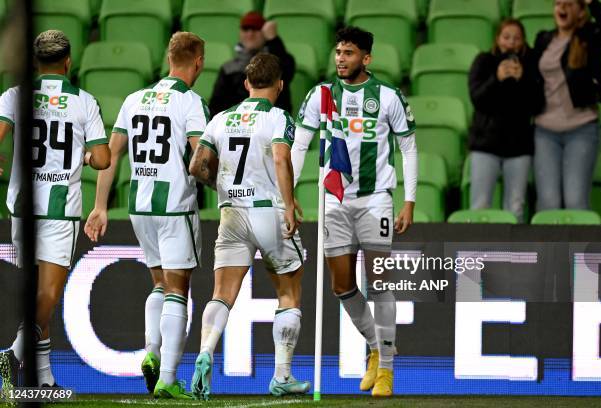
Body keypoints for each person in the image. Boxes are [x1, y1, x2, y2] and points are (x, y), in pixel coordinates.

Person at [291, 27, 417, 397]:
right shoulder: (322, 94)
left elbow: (408, 149)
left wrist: (409, 200)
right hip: (334, 200)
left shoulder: (388, 96)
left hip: (376, 197)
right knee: (342, 285)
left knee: (379, 283)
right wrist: (291, 191)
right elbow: (300, 145)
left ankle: (388, 370)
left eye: (348, 53)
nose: (340, 59)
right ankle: (377, 348)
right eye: (338, 52)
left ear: (366, 58)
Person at [84, 32, 209, 399]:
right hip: (174, 205)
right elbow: (198, 157)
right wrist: (219, 184)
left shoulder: (134, 99)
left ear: (169, 58)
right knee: (178, 289)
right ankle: (168, 377)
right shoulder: (190, 102)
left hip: (140, 206)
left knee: (159, 283)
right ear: (198, 61)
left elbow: (111, 154)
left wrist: (101, 205)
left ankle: (151, 354)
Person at [188, 53, 309, 400]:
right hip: (267, 210)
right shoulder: (279, 118)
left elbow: (197, 166)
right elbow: (282, 157)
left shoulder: (221, 118)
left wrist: (220, 188)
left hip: (231, 213)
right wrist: (289, 203)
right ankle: (282, 375)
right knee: (288, 290)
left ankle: (206, 352)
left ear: (246, 84)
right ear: (280, 85)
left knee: (222, 294)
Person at [0, 30, 110, 389]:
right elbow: (105, 158)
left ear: (34, 63)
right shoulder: (83, 101)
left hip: (23, 207)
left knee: (36, 293)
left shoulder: (15, 96)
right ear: (68, 61)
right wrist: (89, 156)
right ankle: (13, 354)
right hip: (60, 210)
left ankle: (44, 379)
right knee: (48, 294)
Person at [532, 0, 601, 211]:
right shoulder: (543, 39)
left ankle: (579, 246)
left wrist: (593, 2)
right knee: (548, 203)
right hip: (545, 131)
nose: (562, 8)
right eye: (558, 3)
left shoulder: (589, 37)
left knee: (575, 200)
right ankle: (549, 246)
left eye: (569, 3)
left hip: (581, 129)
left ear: (580, 11)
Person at [468, 19, 540, 222]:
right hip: (485, 145)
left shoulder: (531, 64)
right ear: (498, 39)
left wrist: (523, 80)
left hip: (519, 147)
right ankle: (479, 252)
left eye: (517, 38)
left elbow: (537, 104)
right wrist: (497, 78)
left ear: (523, 41)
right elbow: (477, 98)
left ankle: (514, 254)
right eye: (506, 37)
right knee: (480, 206)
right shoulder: (483, 61)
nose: (511, 42)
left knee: (516, 207)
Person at [208, 11, 295, 116]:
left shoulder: (278, 60)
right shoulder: (228, 68)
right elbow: (216, 107)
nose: (250, 34)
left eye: (255, 29)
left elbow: (287, 71)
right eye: (245, 29)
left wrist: (274, 40)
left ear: (265, 33)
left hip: (271, 124)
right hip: (236, 127)